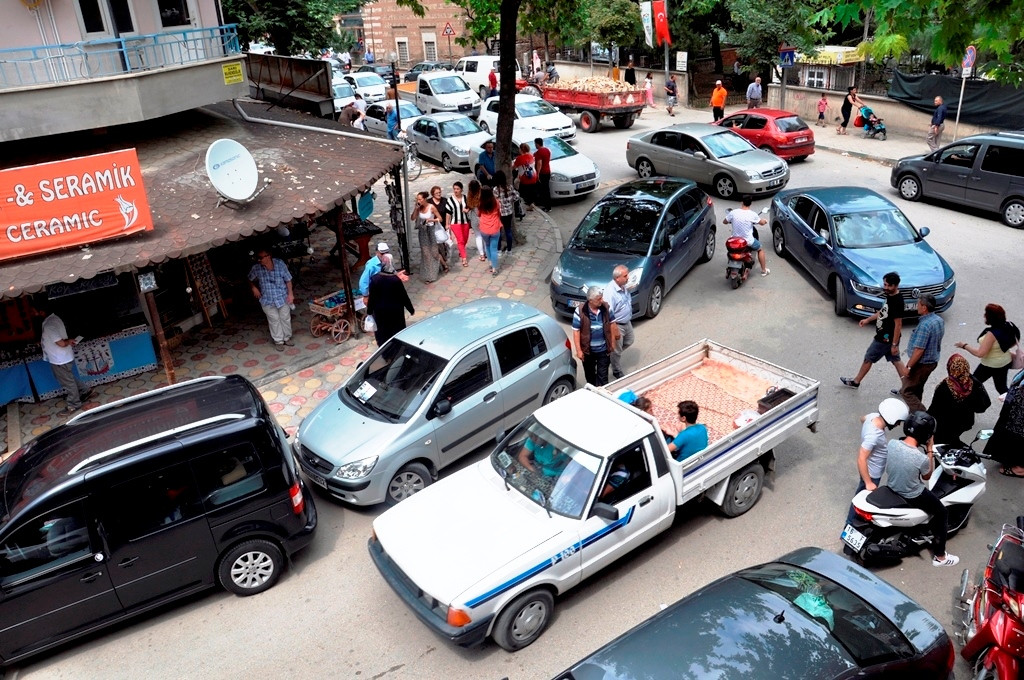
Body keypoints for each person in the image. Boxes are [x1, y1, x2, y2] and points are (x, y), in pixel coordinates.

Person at [884, 411, 959, 566]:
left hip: (892, 485)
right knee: (942, 512)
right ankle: (940, 556)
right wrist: (930, 449)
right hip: (912, 494)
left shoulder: (892, 443)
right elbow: (927, 476)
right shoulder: (921, 458)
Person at [843, 398, 909, 528]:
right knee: (861, 500)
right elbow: (861, 458)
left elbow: (862, 418)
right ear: (891, 418)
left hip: (870, 470)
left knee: (862, 497)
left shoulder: (873, 417)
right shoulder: (873, 435)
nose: (898, 425)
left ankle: (854, 524)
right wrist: (869, 482)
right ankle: (850, 525)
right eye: (897, 422)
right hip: (872, 473)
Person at [841, 271, 906, 388]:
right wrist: (868, 319)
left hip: (885, 339)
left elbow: (898, 324)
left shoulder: (897, 302)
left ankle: (856, 382)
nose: (885, 287)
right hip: (889, 339)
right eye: (885, 284)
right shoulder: (890, 296)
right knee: (896, 361)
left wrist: (894, 344)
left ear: (896, 286)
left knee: (869, 358)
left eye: (888, 285)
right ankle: (907, 388)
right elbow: (883, 312)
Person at [954, 303, 1020, 394]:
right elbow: (1013, 342)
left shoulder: (991, 334)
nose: (984, 315)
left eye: (986, 314)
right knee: (1001, 388)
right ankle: (1014, 403)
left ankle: (968, 404)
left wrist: (964, 345)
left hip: (990, 365)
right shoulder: (1008, 325)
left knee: (973, 384)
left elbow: (980, 353)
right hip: (1005, 362)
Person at [927, 354, 991, 446]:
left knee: (940, 445)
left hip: (944, 425)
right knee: (953, 439)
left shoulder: (944, 387)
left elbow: (934, 409)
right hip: (964, 422)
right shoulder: (973, 383)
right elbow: (981, 406)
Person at [39, 306, 91, 414]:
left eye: (33, 311)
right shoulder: (54, 319)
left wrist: (68, 341)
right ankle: (85, 390)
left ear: (41, 311)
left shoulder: (49, 325)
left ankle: (74, 404)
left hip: (59, 359)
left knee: (67, 382)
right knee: (68, 378)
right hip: (62, 357)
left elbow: (61, 343)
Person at [898, 294, 944, 412]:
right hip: (932, 361)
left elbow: (919, 350)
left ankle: (922, 415)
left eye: (918, 304)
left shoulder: (925, 325)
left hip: (922, 364)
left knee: (907, 391)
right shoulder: (938, 320)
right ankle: (915, 413)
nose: (916, 306)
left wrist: (908, 366)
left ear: (924, 308)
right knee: (918, 388)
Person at [248, 250, 294, 350]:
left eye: (261, 257)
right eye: (258, 258)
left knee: (285, 317)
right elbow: (249, 279)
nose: (259, 260)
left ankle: (287, 337)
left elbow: (288, 280)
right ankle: (278, 341)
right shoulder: (256, 268)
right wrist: (253, 288)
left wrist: (290, 294)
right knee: (274, 320)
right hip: (267, 299)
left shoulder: (280, 264)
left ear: (268, 256)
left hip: (282, 297)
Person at [572, 286, 617, 387]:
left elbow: (612, 324)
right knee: (590, 377)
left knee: (603, 378)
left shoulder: (606, 308)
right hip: (588, 351)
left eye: (602, 297)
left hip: (603, 350)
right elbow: (576, 331)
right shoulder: (580, 311)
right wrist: (579, 350)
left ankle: (602, 395)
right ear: (590, 300)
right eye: (599, 299)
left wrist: (613, 343)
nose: (602, 300)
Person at [366, 254, 414, 347]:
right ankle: (397, 351)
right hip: (395, 312)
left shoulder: (375, 279)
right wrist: (410, 309)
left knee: (382, 334)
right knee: (396, 333)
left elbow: (372, 298)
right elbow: (403, 296)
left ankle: (386, 354)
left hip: (380, 312)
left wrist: (369, 311)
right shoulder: (395, 280)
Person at [987, 370, 1024, 477]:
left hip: (1020, 417)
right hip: (1015, 412)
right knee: (1010, 432)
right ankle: (1011, 460)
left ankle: (1020, 468)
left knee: (1018, 436)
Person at [722, 195, 769, 277]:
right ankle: (764, 270)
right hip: (748, 241)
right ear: (751, 204)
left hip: (734, 241)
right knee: (760, 249)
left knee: (730, 251)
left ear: (742, 202)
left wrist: (731, 220)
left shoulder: (734, 212)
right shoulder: (752, 214)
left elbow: (724, 221)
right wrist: (765, 221)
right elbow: (761, 222)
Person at [606, 264, 634, 380]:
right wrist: (615, 329)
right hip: (617, 325)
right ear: (617, 278)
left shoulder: (623, 287)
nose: (628, 278)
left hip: (627, 322)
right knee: (617, 351)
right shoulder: (610, 292)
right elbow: (608, 312)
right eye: (625, 275)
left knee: (629, 340)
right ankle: (616, 370)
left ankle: (610, 357)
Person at [411, 191, 446, 283]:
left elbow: (440, 218)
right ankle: (430, 276)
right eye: (417, 199)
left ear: (425, 199)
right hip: (422, 232)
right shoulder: (418, 208)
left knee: (434, 253)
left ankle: (444, 264)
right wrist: (416, 209)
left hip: (431, 230)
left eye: (420, 199)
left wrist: (431, 219)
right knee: (426, 254)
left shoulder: (431, 207)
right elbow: (413, 218)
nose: (418, 201)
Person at [491, 170, 519, 256]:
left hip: (499, 214)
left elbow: (495, 202)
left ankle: (499, 250)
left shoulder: (496, 189)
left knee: (498, 232)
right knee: (508, 230)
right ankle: (509, 250)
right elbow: (517, 196)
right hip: (509, 212)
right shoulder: (509, 187)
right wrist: (510, 201)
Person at [476, 186, 502, 275]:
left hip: (484, 229)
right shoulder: (496, 202)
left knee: (487, 245)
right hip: (495, 228)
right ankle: (495, 268)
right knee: (494, 248)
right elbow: (499, 213)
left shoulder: (480, 203)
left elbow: (478, 214)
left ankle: (490, 263)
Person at [445, 181, 471, 267]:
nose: (456, 191)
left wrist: (467, 210)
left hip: (465, 222)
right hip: (455, 223)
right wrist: (447, 224)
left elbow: (469, 207)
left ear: (461, 190)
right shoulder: (450, 200)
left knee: (465, 239)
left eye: (457, 189)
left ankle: (461, 251)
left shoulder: (465, 198)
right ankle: (464, 258)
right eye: (454, 189)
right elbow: (448, 213)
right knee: (460, 240)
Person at [428, 185, 450, 266]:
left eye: (439, 192)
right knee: (434, 245)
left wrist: (448, 223)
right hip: (432, 225)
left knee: (442, 242)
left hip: (442, 225)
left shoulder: (445, 200)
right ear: (433, 194)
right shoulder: (429, 202)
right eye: (436, 193)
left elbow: (448, 212)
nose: (439, 194)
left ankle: (444, 258)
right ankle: (441, 262)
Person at [512, 142, 538, 211]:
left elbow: (513, 167)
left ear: (520, 149)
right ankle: (532, 203)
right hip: (533, 175)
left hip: (525, 177)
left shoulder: (519, 158)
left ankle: (530, 204)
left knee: (523, 191)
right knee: (532, 190)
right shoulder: (531, 156)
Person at [466, 179, 485, 261]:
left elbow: (469, 207)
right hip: (483, 218)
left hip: (474, 219)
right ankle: (487, 253)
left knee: (478, 236)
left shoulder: (469, 197)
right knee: (485, 237)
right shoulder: (482, 195)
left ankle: (481, 254)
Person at [533, 137, 552, 212]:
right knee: (546, 189)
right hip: (548, 171)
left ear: (537, 144)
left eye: (535, 144)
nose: (535, 145)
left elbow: (539, 163)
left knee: (544, 190)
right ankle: (548, 205)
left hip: (542, 173)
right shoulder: (547, 150)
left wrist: (537, 174)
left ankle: (546, 206)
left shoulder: (539, 152)